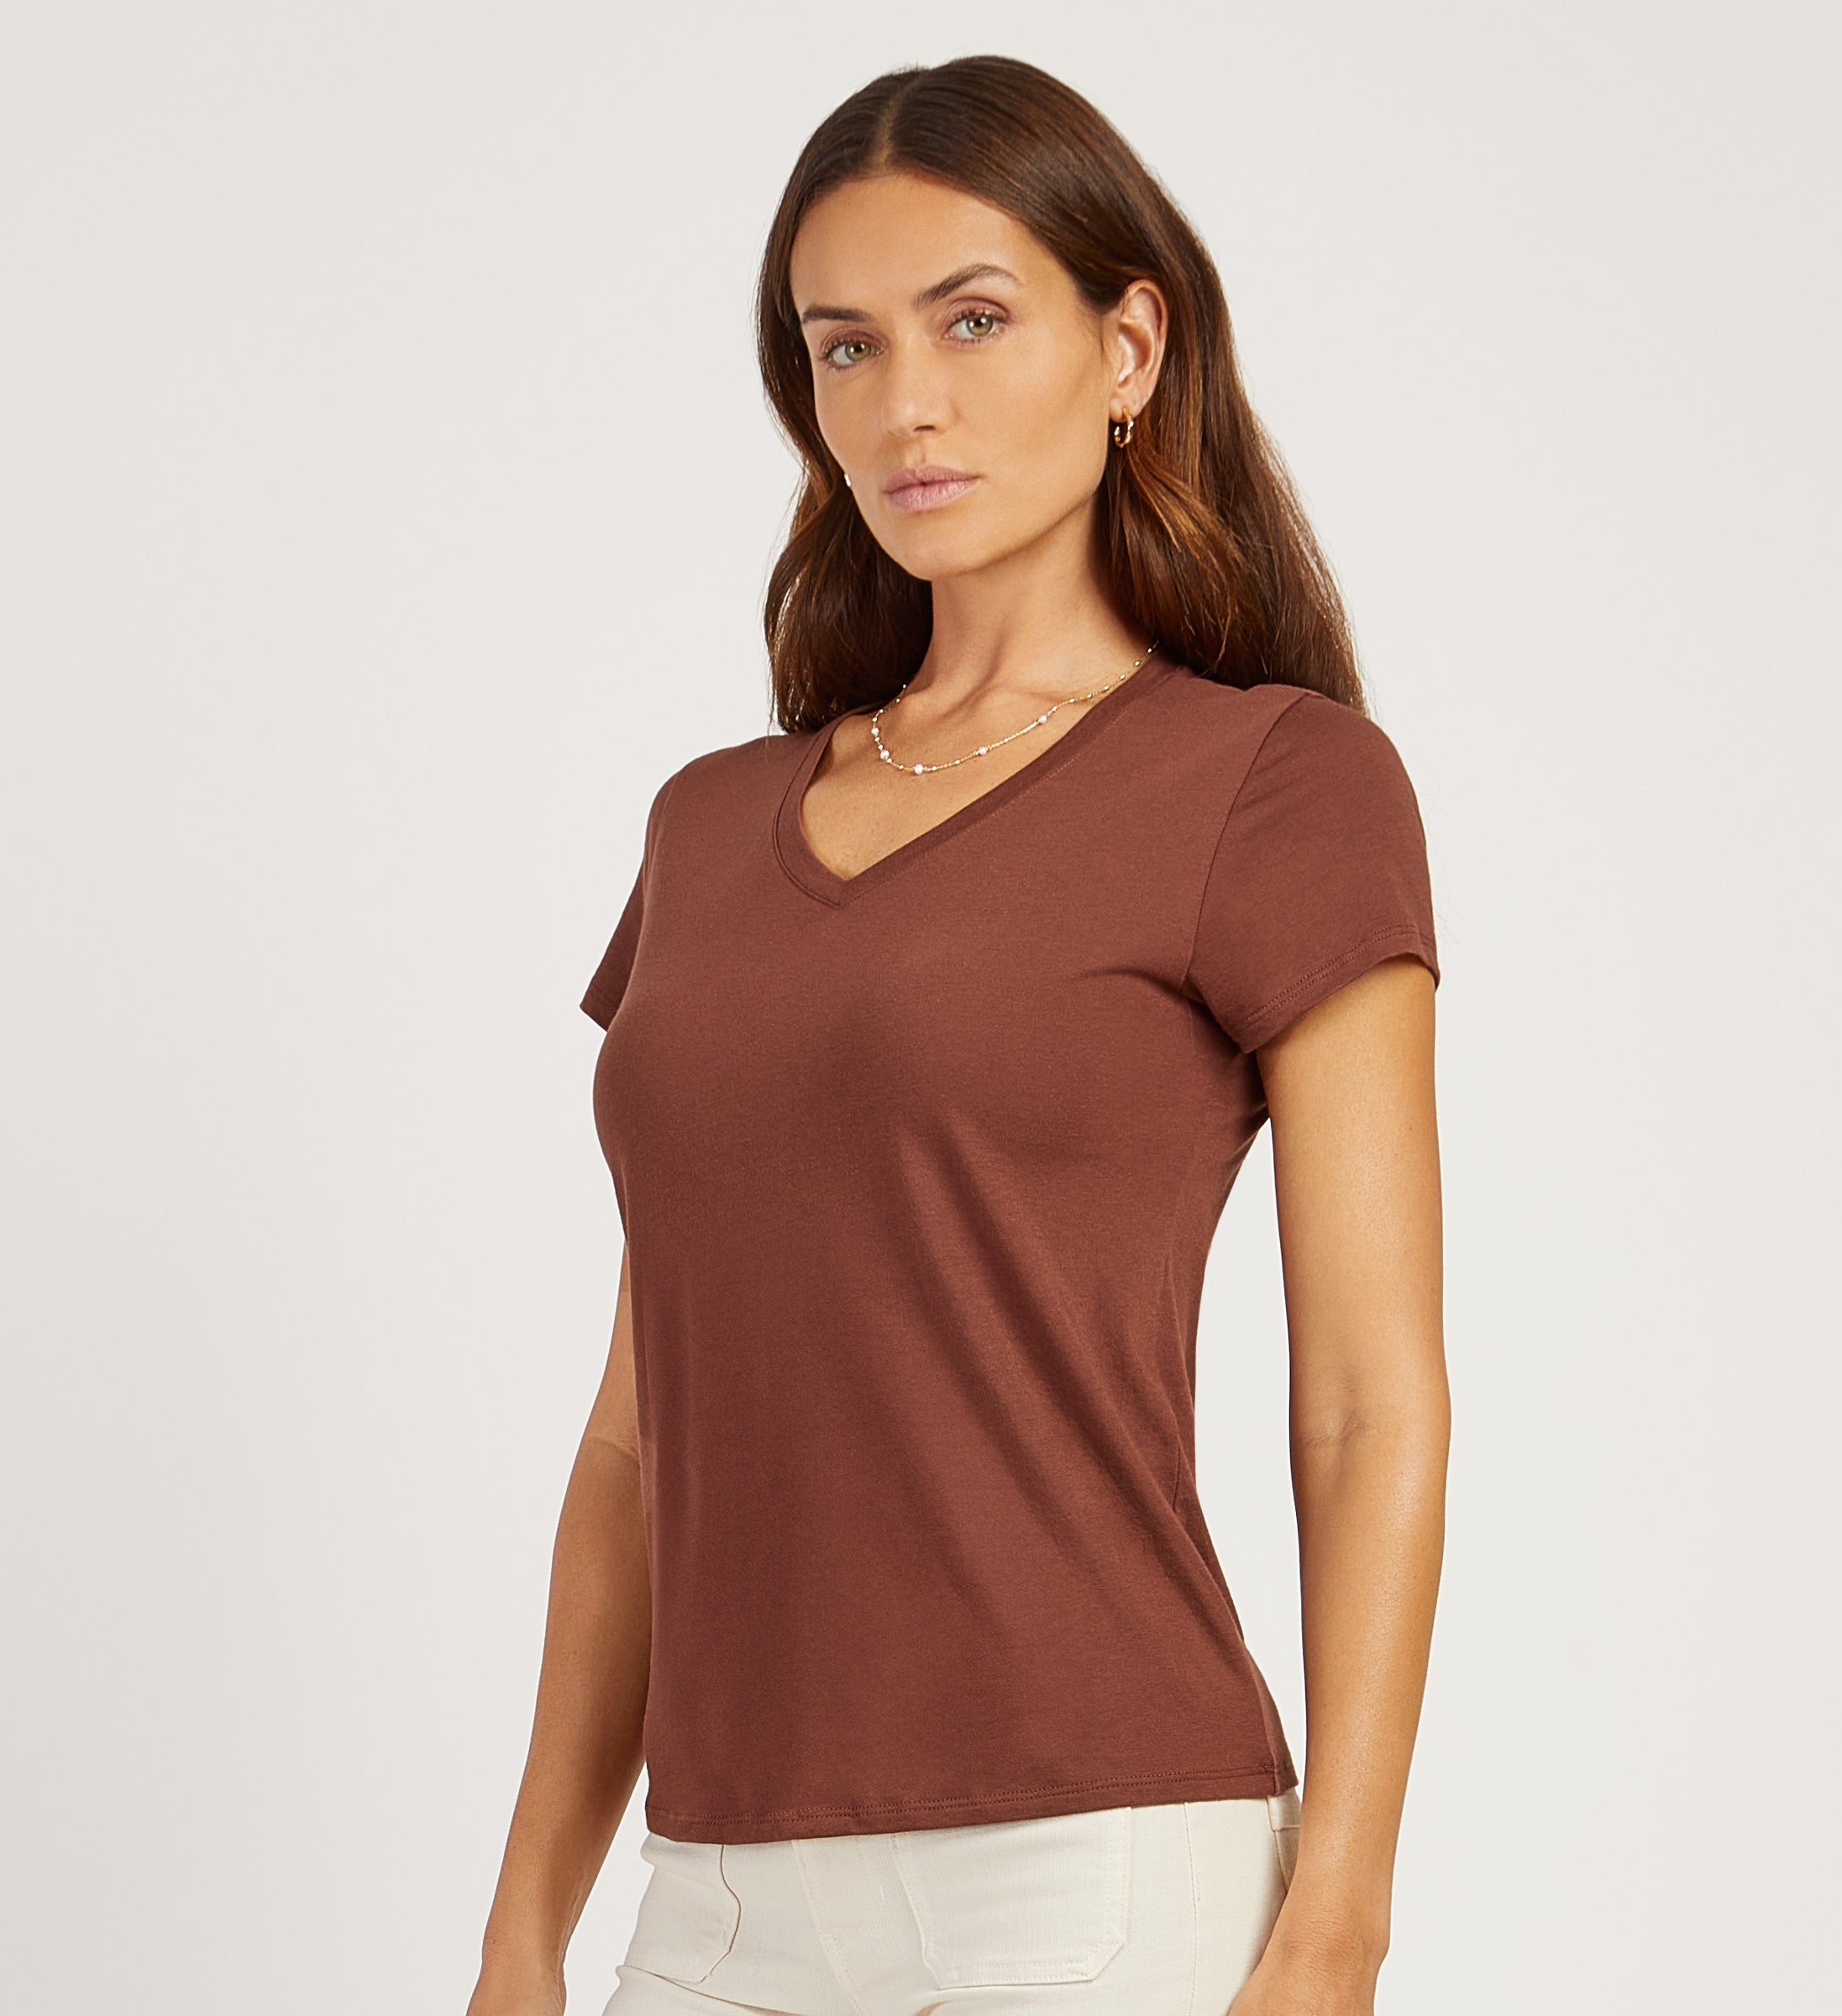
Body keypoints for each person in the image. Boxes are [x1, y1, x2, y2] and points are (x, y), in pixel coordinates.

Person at [467, 53, 1447, 2016]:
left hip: (1096, 1884)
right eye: (846, 345)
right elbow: (638, 1440)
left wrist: (1337, 1923)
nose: (904, 402)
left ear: (1129, 345)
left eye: (973, 320)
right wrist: (521, 1937)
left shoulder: (1278, 785)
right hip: (716, 1900)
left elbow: (1366, 1399)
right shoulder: (705, 829)